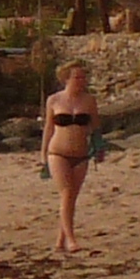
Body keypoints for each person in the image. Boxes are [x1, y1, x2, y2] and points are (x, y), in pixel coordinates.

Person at [41, 65, 100, 254]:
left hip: (81, 154)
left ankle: (60, 241)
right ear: (66, 79)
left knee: (71, 197)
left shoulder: (89, 101)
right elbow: (49, 128)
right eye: (77, 77)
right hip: (58, 152)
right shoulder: (54, 100)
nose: (81, 81)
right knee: (66, 193)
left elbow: (95, 127)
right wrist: (43, 153)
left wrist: (99, 148)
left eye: (83, 77)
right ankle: (72, 241)